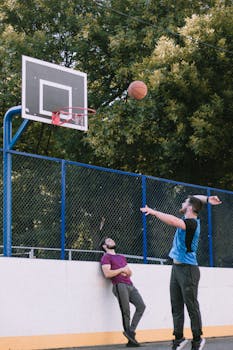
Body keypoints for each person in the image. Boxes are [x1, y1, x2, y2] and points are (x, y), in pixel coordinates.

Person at [140, 195, 222, 350]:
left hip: (188, 269)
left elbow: (172, 221)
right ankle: (179, 338)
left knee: (191, 306)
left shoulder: (192, 224)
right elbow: (193, 198)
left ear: (190, 207)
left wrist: (153, 212)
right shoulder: (188, 217)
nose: (183, 202)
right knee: (176, 305)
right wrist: (208, 198)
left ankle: (197, 339)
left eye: (186, 202)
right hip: (177, 268)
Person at [100, 237, 146, 347]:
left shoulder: (121, 257)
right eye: (109, 241)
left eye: (112, 240)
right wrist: (121, 270)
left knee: (141, 306)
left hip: (130, 285)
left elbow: (129, 272)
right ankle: (130, 338)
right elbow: (107, 274)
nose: (112, 241)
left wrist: (127, 272)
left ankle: (131, 332)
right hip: (119, 285)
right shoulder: (106, 257)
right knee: (126, 311)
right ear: (104, 246)